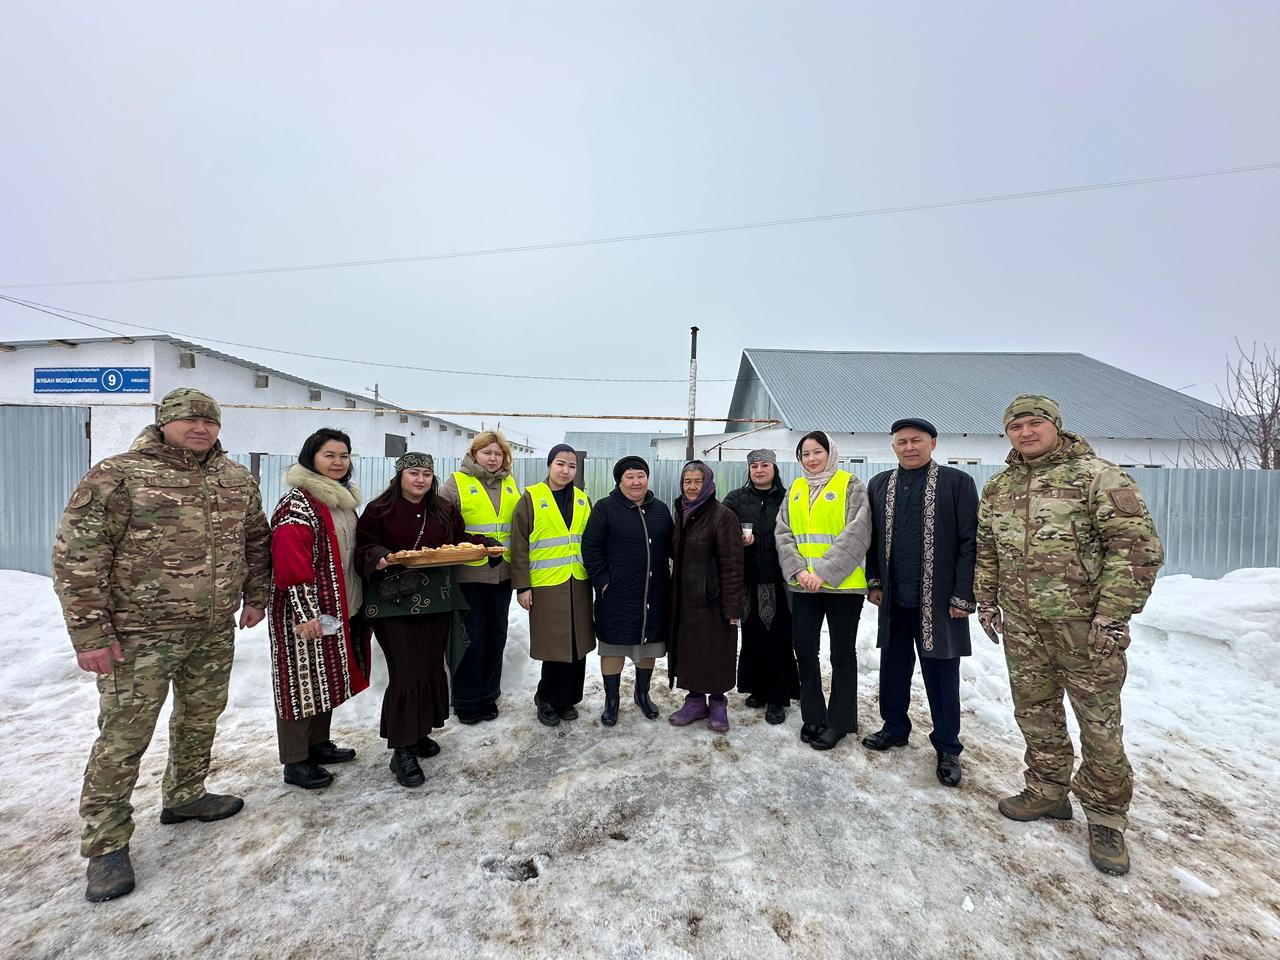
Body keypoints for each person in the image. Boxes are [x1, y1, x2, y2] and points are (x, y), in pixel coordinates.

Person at [51, 388, 271, 902]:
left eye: (209, 421)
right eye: (189, 419)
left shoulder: (234, 478)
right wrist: (90, 634)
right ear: (164, 421)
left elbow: (256, 541)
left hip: (211, 629)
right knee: (124, 736)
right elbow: (78, 557)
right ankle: (105, 843)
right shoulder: (118, 474)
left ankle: (186, 795)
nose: (201, 428)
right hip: (138, 634)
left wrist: (256, 596)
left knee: (201, 716)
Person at [976, 395, 1164, 877]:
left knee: (1099, 723)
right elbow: (988, 550)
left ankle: (1105, 816)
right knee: (1035, 711)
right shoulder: (999, 486)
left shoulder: (1097, 476)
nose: (1024, 432)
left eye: (1034, 422)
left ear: (1055, 426)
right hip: (1022, 624)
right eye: (1015, 426)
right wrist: (987, 601)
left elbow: (1136, 550)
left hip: (1085, 628)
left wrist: (1112, 615)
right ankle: (1047, 789)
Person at [356, 453, 502, 788]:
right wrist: (378, 557)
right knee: (406, 672)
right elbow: (364, 545)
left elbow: (458, 542)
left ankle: (419, 732)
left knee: (430, 667)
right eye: (413, 473)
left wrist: (485, 546)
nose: (420, 480)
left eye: (425, 474)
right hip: (394, 602)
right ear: (400, 476)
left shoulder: (442, 509)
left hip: (437, 598)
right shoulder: (380, 509)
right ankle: (401, 749)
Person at [863, 418, 979, 787]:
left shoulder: (957, 483)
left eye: (916, 440)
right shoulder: (880, 484)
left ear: (933, 443)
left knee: (942, 674)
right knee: (893, 668)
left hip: (941, 602)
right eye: (901, 442)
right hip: (896, 598)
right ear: (893, 446)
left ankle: (947, 746)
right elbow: (871, 539)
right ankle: (895, 726)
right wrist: (875, 580)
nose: (909, 447)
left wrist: (964, 595)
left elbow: (970, 542)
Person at [268, 428, 370, 790]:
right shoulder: (298, 504)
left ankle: (318, 744)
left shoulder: (340, 501)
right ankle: (296, 761)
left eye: (343, 455)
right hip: (306, 614)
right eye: (330, 455)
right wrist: (306, 614)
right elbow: (291, 564)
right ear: (311, 456)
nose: (338, 462)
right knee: (300, 684)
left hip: (338, 607)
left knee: (325, 677)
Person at [775, 430, 872, 751]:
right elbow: (783, 532)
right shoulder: (796, 489)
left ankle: (840, 722)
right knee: (804, 650)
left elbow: (858, 532)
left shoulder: (850, 485)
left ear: (830, 453)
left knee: (842, 655)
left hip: (843, 587)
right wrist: (800, 571)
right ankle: (813, 715)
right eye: (805, 454)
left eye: (817, 452)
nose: (812, 459)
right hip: (802, 585)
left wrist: (823, 572)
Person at [581, 455, 674, 726]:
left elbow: (674, 545)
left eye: (641, 475)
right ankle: (612, 701)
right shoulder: (605, 508)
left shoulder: (660, 509)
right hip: (617, 595)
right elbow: (591, 548)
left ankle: (642, 694)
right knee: (613, 646)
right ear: (620, 481)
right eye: (630, 476)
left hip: (654, 593)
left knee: (648, 645)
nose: (636, 481)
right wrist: (604, 582)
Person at [510, 444, 595, 727]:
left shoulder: (583, 499)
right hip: (546, 584)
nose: (566, 470)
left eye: (571, 466)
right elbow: (519, 545)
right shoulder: (531, 498)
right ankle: (546, 697)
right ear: (549, 465)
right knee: (555, 645)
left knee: (577, 645)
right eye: (560, 464)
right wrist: (523, 586)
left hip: (578, 581)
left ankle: (569, 698)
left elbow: (591, 543)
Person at [440, 431, 521, 724]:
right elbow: (442, 525)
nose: (493, 458)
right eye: (487, 453)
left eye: (498, 454)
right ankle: (465, 700)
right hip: (468, 574)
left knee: (496, 636)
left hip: (502, 574)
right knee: (469, 638)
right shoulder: (457, 483)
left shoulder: (510, 484)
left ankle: (489, 695)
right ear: (474, 454)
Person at [667, 461, 744, 732]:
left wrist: (733, 606)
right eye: (687, 481)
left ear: (708, 483)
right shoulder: (682, 513)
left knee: (716, 652)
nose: (691, 486)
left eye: (697, 481)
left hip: (714, 600)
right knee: (690, 652)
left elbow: (733, 564)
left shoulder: (722, 516)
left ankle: (719, 704)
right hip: (686, 599)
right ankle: (695, 701)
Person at [724, 449, 800, 725]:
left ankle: (778, 697)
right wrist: (737, 539)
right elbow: (723, 531)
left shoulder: (790, 498)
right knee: (753, 636)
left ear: (774, 468)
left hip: (781, 581)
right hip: (748, 579)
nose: (759, 470)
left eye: (764, 465)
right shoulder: (735, 499)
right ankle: (757, 688)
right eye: (754, 466)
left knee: (779, 639)